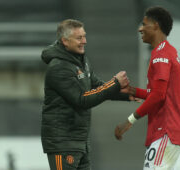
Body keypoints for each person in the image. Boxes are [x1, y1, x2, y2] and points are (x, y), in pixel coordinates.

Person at [41, 19, 131, 170]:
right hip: (62, 143)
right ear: (65, 41)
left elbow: (98, 86)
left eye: (84, 36)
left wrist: (128, 95)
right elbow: (82, 99)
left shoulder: (80, 60)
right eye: (79, 38)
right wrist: (115, 83)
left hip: (80, 141)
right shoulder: (58, 67)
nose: (85, 41)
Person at [115, 6, 180, 170]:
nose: (140, 28)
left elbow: (159, 95)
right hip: (165, 129)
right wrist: (134, 91)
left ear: (155, 25)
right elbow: (159, 93)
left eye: (144, 24)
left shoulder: (161, 55)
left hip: (166, 129)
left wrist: (130, 120)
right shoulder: (165, 52)